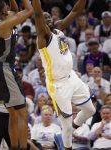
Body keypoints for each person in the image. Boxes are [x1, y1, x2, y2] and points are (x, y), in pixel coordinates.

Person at [32, 0, 96, 149]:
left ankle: (68, 132)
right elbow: (37, 13)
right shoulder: (43, 36)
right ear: (40, 22)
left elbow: (75, 11)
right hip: (58, 85)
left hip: (71, 77)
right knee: (66, 124)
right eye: (44, 18)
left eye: (49, 18)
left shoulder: (58, 28)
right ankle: (67, 146)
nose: (47, 19)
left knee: (90, 110)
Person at [0, 0, 33, 149]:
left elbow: (15, 9)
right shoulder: (3, 25)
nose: (8, 6)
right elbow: (29, 11)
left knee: (13, 113)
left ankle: (14, 147)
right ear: (3, 11)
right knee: (22, 113)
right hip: (4, 68)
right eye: (5, 5)